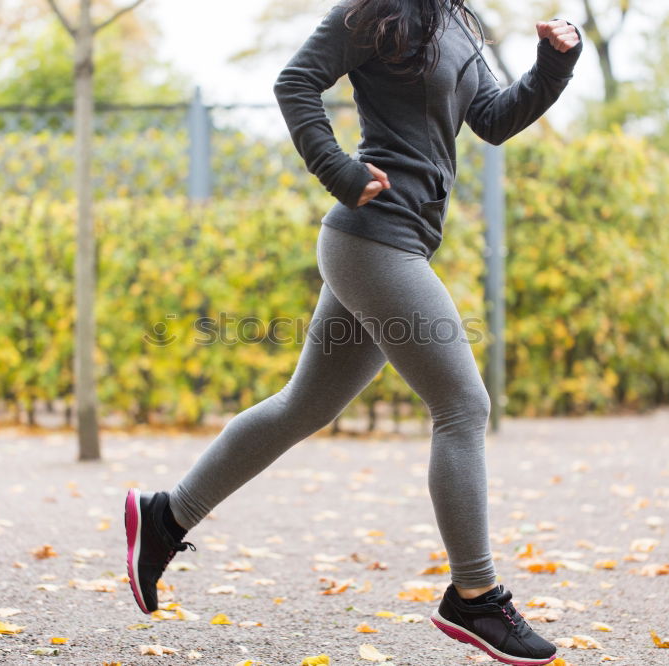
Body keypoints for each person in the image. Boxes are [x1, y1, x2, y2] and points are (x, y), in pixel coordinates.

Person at [125, 1, 581, 664]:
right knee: (462, 406)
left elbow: (493, 119)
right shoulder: (379, 10)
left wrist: (555, 63)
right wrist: (339, 171)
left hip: (397, 245)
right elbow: (295, 82)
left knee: (301, 407)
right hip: (373, 241)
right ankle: (475, 598)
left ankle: (165, 518)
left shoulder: (454, 21)